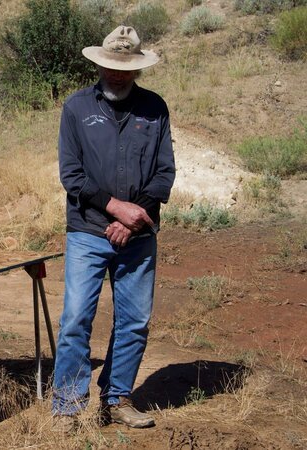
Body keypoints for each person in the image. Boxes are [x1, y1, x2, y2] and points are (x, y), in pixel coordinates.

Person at [53, 25, 176, 429]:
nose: (117, 75)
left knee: (135, 321)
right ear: (99, 64)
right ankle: (67, 407)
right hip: (87, 231)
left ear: (138, 69)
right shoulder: (75, 108)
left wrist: (133, 216)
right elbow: (72, 175)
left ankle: (117, 399)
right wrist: (114, 208)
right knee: (75, 319)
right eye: (111, 67)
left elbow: (163, 174)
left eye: (125, 68)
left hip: (137, 235)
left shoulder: (155, 109)